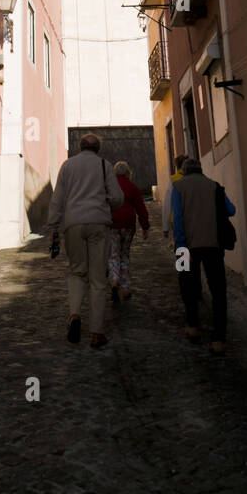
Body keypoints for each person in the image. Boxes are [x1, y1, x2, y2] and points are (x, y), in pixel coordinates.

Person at [47, 132, 124, 349]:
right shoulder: (104, 165)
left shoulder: (67, 166)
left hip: (73, 224)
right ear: (97, 148)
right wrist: (108, 203)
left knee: (76, 271)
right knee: (98, 278)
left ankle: (74, 315)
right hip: (99, 222)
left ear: (80, 147)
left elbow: (57, 199)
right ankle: (97, 333)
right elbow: (118, 197)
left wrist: (53, 226)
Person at [171, 158, 236, 356]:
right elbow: (231, 209)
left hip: (185, 246)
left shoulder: (178, 186)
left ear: (184, 171)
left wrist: (181, 244)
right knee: (218, 290)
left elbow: (178, 218)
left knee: (185, 285)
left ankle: (193, 327)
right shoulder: (214, 186)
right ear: (201, 170)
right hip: (213, 245)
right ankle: (219, 338)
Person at [108, 160, 149, 302]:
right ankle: (125, 288)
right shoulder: (132, 187)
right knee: (124, 254)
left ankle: (114, 279)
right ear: (127, 172)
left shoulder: (109, 187)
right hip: (128, 225)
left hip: (112, 224)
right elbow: (141, 208)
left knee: (114, 254)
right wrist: (145, 226)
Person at [161, 154, 187, 237]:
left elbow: (167, 203)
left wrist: (165, 227)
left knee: (181, 246)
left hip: (177, 220)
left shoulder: (173, 180)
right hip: (194, 219)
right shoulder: (196, 178)